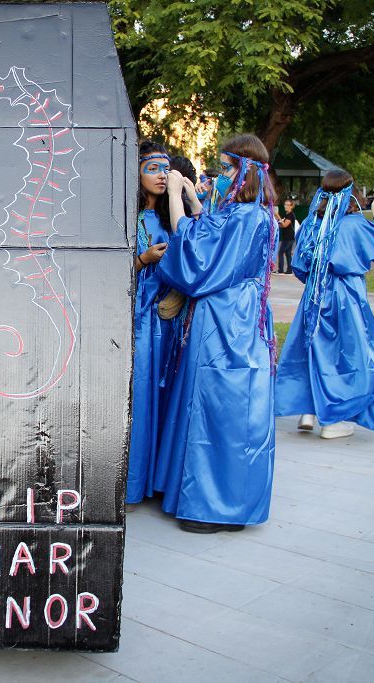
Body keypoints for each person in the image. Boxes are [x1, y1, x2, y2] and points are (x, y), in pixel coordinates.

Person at [153, 134, 277, 534]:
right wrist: (192, 201)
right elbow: (211, 230)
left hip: (227, 323)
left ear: (245, 172)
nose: (220, 176)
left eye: (226, 169)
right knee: (230, 410)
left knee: (216, 407)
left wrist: (175, 197)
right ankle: (227, 502)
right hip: (237, 318)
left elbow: (197, 255)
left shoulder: (245, 217)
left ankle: (211, 505)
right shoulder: (249, 213)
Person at [275, 171, 374, 439]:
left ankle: (309, 411)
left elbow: (300, 267)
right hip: (346, 297)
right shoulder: (354, 224)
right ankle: (333, 419)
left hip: (315, 296)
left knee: (313, 349)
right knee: (346, 355)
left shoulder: (314, 224)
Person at [126, 141, 186, 504]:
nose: (162, 176)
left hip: (168, 316)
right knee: (140, 392)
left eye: (165, 169)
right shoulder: (122, 216)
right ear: (135, 173)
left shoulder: (169, 218)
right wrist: (143, 259)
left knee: (165, 391)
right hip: (136, 317)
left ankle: (157, 480)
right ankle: (132, 482)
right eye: (153, 168)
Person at [277, 198, 297, 274]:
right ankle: (289, 270)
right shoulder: (287, 215)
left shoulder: (290, 215)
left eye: (288, 205)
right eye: (285, 204)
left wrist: (277, 216)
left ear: (291, 206)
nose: (286, 206)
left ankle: (280, 270)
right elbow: (283, 225)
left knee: (281, 252)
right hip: (287, 237)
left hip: (289, 237)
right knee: (288, 253)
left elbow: (285, 225)